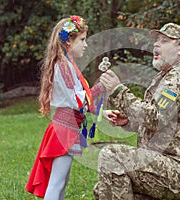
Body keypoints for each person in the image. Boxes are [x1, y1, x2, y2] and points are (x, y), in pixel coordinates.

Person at [94, 23, 180, 200]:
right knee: (105, 187)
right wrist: (130, 122)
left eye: (164, 41)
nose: (156, 45)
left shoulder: (177, 79)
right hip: (166, 164)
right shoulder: (168, 75)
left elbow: (155, 117)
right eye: (156, 40)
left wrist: (118, 90)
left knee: (112, 156)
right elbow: (163, 121)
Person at [25, 15, 114, 199]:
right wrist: (100, 86)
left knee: (61, 181)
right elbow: (77, 100)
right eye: (82, 39)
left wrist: (102, 112)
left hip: (68, 127)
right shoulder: (64, 66)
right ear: (68, 42)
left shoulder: (67, 64)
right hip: (64, 129)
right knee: (57, 183)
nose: (85, 44)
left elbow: (79, 102)